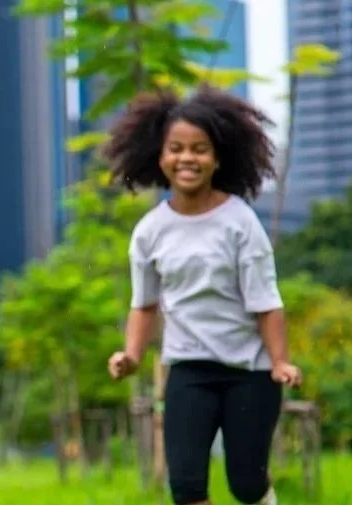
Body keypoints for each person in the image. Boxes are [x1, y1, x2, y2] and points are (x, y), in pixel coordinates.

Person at [102, 85, 302, 505]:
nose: (187, 158)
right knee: (187, 488)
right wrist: (131, 356)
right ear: (159, 156)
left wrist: (280, 361)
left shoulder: (240, 223)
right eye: (176, 148)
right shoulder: (150, 231)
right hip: (189, 370)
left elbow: (266, 302)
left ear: (218, 158)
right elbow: (144, 305)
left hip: (249, 371)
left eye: (200, 149)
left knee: (247, 484)